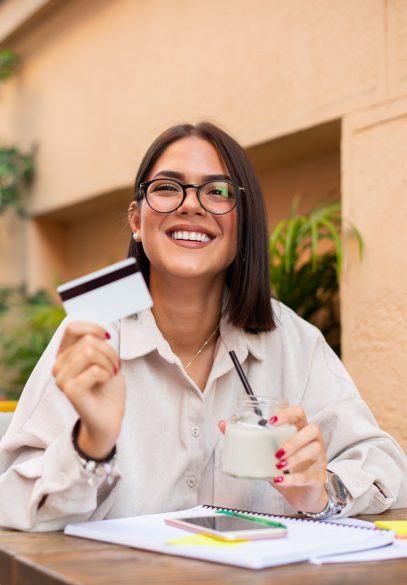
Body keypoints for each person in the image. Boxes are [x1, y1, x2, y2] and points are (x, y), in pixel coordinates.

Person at [0, 122, 406, 532]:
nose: (191, 205)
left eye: (218, 191)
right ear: (137, 220)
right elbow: (11, 501)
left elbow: (384, 465)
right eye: (167, 187)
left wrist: (321, 492)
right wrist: (91, 447)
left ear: (242, 224)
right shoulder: (92, 333)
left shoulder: (292, 339)